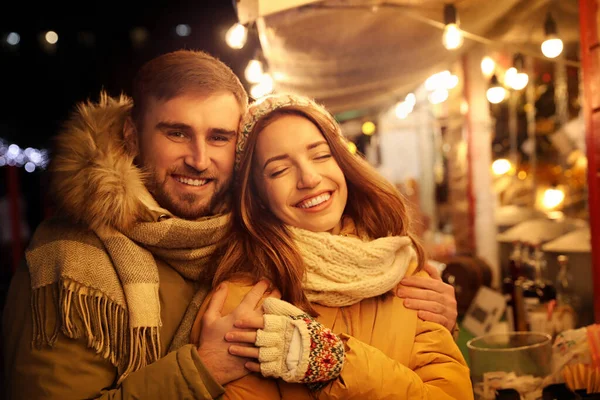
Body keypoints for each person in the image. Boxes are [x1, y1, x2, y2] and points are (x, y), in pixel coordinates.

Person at [2, 50, 458, 399]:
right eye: (176, 132)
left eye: (218, 137)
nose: (199, 160)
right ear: (131, 135)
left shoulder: (237, 241)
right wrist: (199, 370)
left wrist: (432, 318)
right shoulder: (71, 262)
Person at [190, 93, 472, 399]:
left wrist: (334, 362)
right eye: (279, 170)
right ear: (257, 196)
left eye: (321, 155)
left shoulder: (404, 271)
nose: (309, 178)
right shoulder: (243, 302)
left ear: (342, 162)